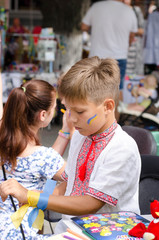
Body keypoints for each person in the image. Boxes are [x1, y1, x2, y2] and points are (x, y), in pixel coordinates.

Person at [0, 57, 141, 235]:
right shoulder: (81, 137)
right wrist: (34, 197)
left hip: (107, 234)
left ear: (107, 106)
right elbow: (69, 184)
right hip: (70, 230)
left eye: (80, 111)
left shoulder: (122, 148)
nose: (72, 119)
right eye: (67, 109)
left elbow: (89, 203)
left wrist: (30, 196)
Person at [0, 79, 73, 239]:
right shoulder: (42, 156)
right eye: (54, 107)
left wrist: (64, 133)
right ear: (43, 115)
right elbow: (76, 178)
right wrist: (75, 134)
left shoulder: (5, 141)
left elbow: (46, 163)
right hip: (21, 233)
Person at [81, 0, 138, 104]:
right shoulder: (129, 11)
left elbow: (84, 26)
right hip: (119, 57)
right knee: (117, 93)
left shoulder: (96, 6)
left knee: (93, 91)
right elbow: (132, 35)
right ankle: (116, 120)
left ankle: (94, 119)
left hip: (97, 56)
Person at [123, 0, 145, 75]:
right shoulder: (117, 10)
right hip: (120, 45)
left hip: (133, 46)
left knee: (131, 72)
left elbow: (142, 30)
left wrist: (129, 30)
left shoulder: (136, 10)